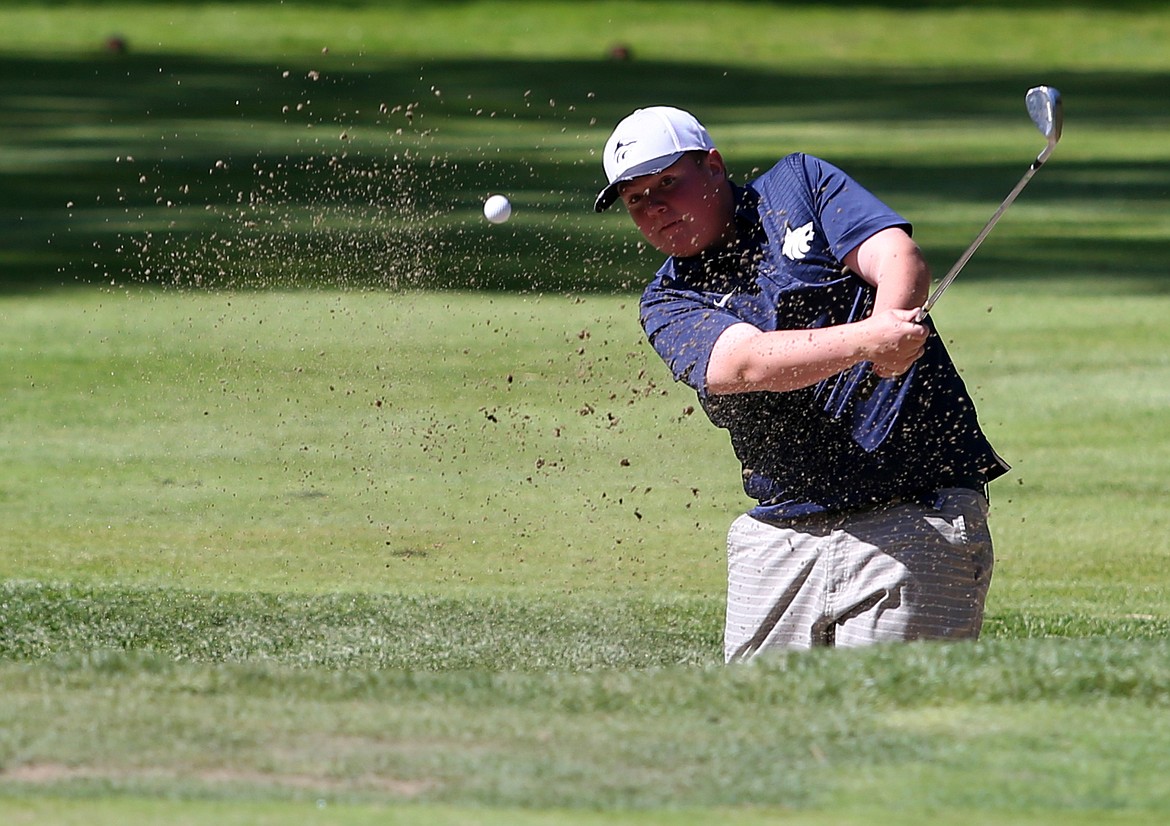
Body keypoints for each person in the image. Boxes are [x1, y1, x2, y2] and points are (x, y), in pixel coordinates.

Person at [594, 106, 1010, 662]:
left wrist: (892, 340)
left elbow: (897, 257)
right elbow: (742, 365)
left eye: (668, 182)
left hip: (914, 517)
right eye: (637, 198)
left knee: (886, 728)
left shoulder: (799, 184)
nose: (656, 207)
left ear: (713, 166)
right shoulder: (667, 299)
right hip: (780, 534)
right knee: (759, 737)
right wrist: (869, 341)